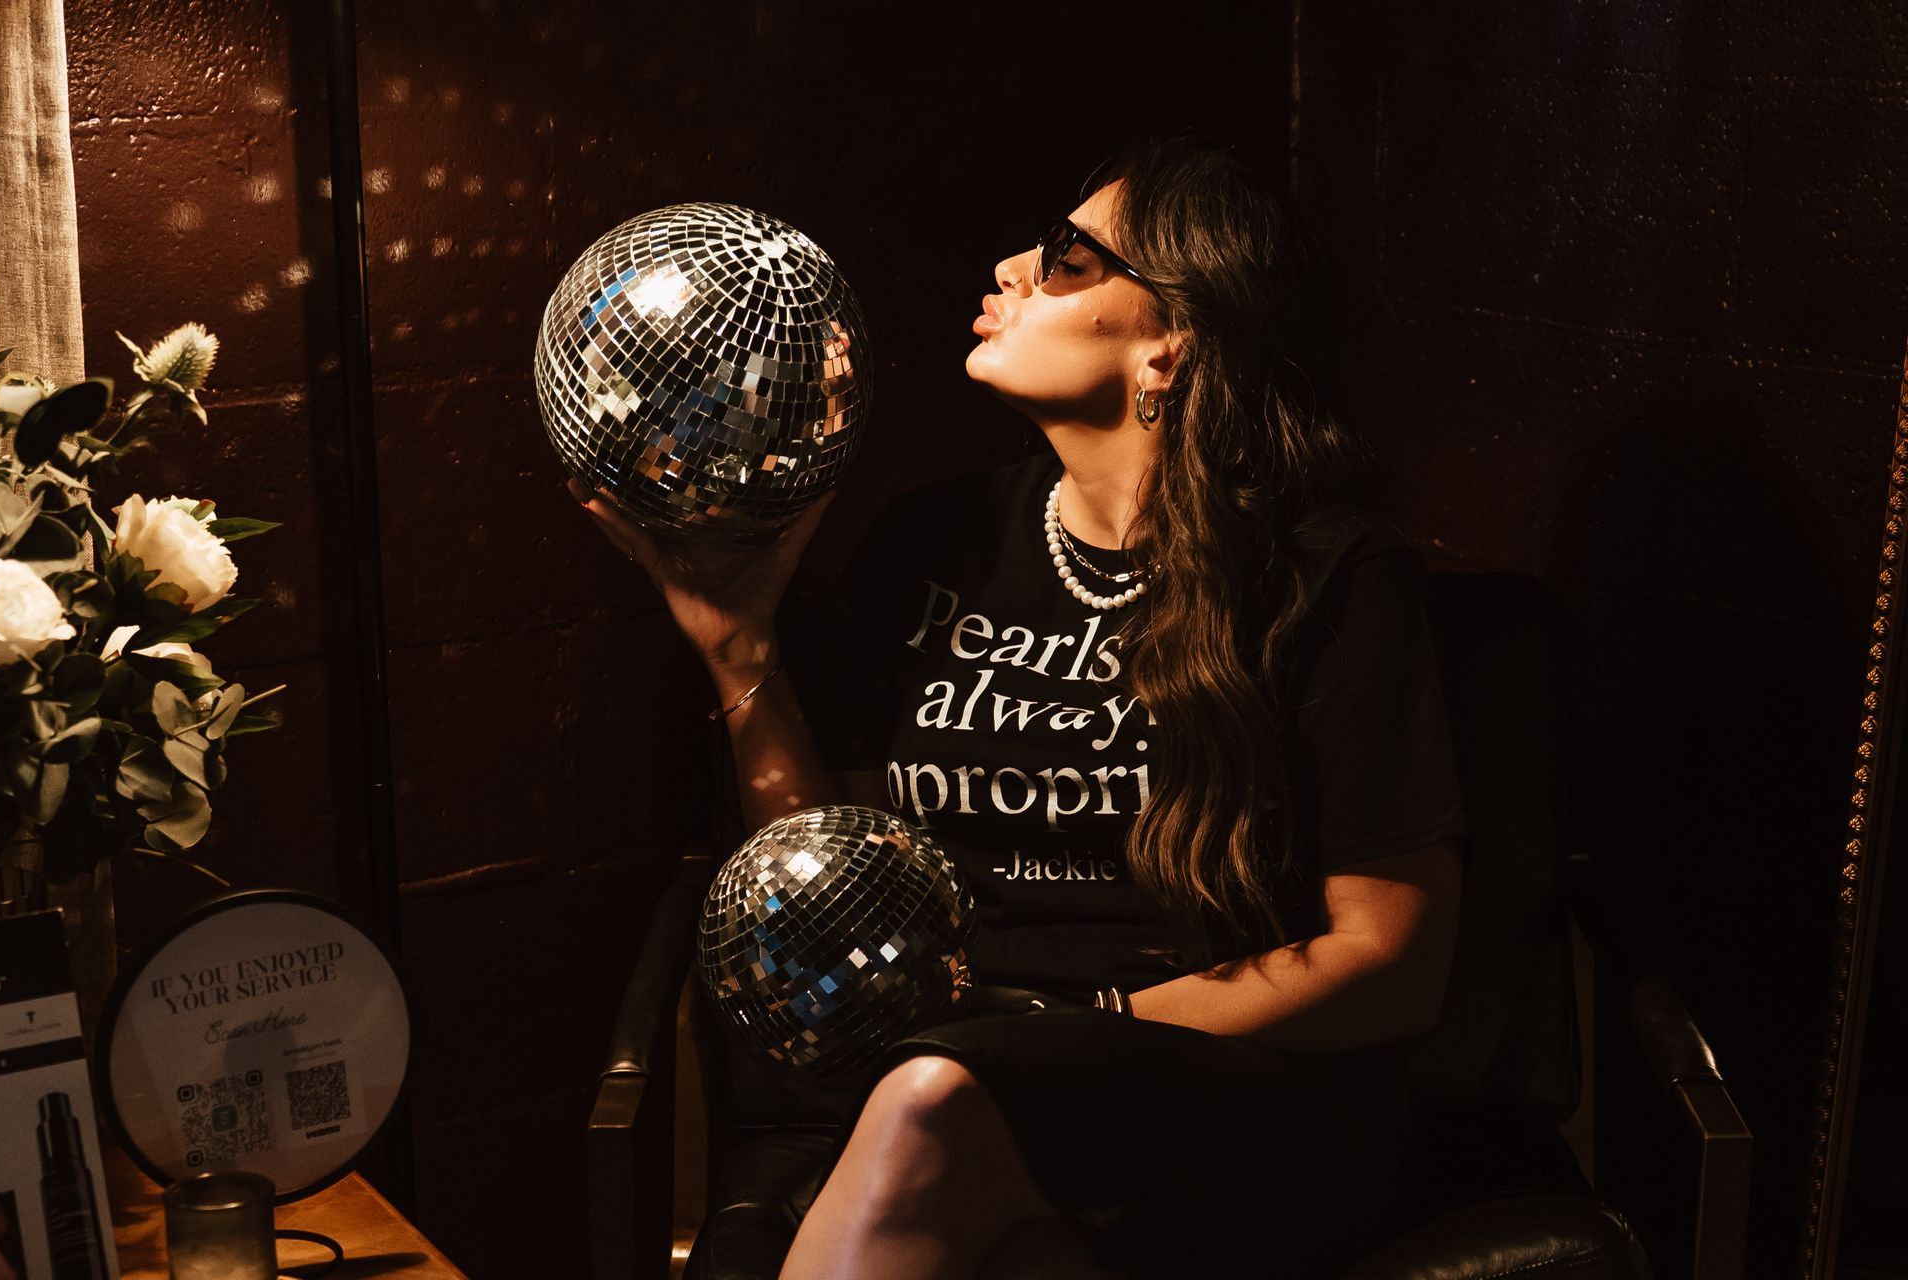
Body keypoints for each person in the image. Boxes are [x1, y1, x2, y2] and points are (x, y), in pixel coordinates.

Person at [570, 137, 1469, 1280]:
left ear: (1169, 349)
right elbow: (827, 890)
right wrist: (740, 647)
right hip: (955, 1070)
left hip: (1228, 1089)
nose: (1007, 268)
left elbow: (1391, 958)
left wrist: (1078, 1023)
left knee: (936, 1097)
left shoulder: (1325, 574)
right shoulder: (933, 542)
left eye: (1066, 257)